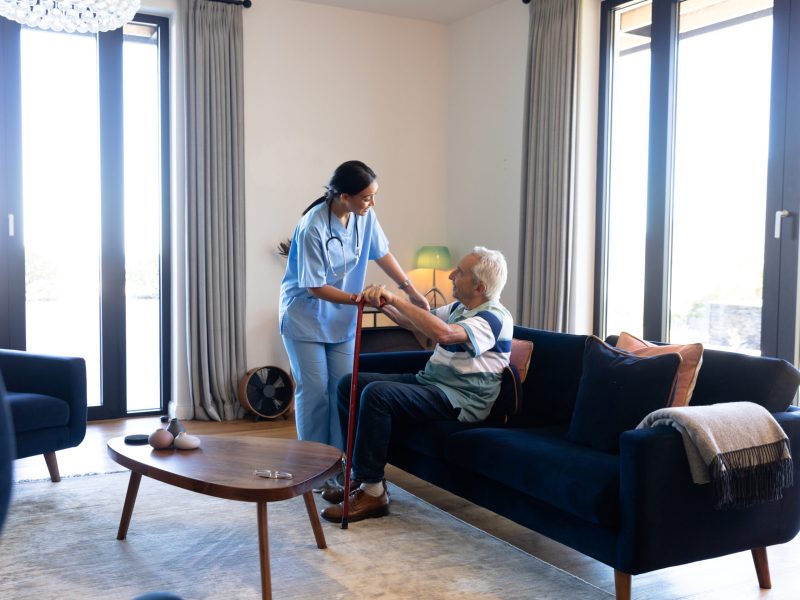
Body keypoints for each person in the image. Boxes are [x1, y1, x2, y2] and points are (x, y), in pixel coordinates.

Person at [320, 246, 513, 523]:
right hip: (434, 384)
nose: (451, 277)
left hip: (461, 399)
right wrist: (383, 303)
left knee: (377, 394)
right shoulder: (462, 308)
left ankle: (373, 492)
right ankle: (360, 478)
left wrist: (396, 299)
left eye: (459, 273)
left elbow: (444, 335)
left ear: (480, 286)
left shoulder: (493, 318)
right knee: (349, 384)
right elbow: (417, 322)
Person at [279, 160, 428, 493]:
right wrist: (361, 299)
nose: (371, 203)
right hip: (306, 317)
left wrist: (411, 290)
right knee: (315, 394)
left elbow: (382, 253)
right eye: (365, 197)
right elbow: (315, 286)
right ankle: (314, 470)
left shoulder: (364, 216)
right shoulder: (312, 226)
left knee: (341, 392)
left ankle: (337, 464)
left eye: (374, 196)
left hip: (342, 318)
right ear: (344, 196)